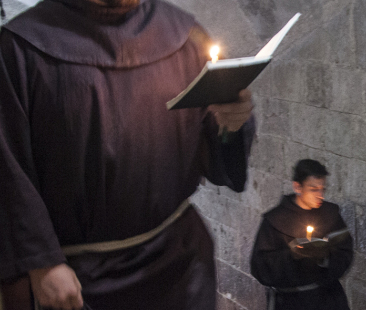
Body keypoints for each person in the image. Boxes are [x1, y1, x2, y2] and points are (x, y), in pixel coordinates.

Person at [0, 0, 255, 309]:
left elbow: (213, 141)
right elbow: (7, 166)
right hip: (77, 279)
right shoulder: (20, 45)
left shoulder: (184, 33)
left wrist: (232, 122)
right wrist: (41, 261)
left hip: (178, 264)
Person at [250, 159, 353, 310]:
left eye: (322, 189)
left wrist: (324, 257)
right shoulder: (275, 220)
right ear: (297, 187)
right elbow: (260, 267)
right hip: (290, 302)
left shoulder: (330, 215)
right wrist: (293, 255)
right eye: (313, 189)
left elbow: (345, 253)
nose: (320, 195)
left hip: (327, 299)